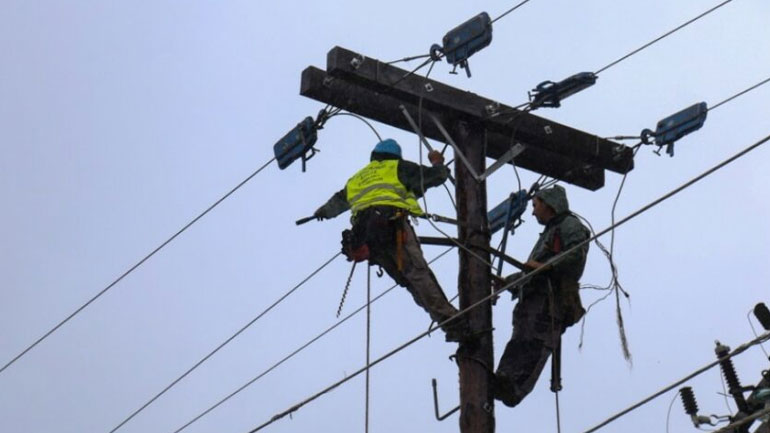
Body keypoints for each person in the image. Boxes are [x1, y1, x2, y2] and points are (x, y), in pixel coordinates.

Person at [313, 138, 469, 342]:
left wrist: (322, 212)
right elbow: (436, 177)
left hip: (368, 238)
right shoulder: (399, 167)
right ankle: (453, 323)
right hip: (392, 226)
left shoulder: (357, 178)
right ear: (396, 155)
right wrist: (437, 162)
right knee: (417, 274)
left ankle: (449, 325)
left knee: (408, 281)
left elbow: (338, 201)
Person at [494, 185, 589, 407]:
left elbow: (575, 255)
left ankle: (515, 389)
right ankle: (502, 380)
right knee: (520, 341)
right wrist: (509, 282)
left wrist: (545, 267)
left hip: (550, 300)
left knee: (535, 344)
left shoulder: (570, 225)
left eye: (535, 205)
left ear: (549, 204)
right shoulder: (549, 232)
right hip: (533, 301)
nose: (533, 211)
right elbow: (534, 269)